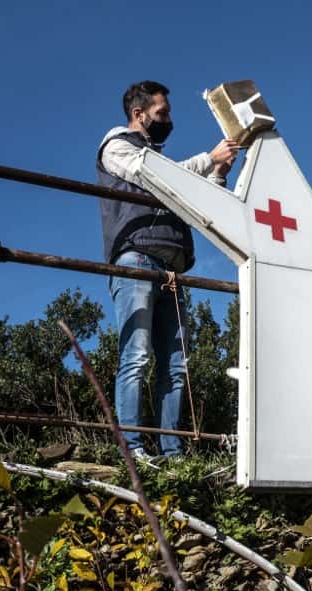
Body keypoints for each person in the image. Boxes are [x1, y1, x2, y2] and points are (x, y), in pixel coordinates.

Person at [96, 80, 240, 467]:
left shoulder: (162, 163)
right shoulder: (117, 145)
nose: (168, 120)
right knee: (138, 356)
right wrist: (208, 158)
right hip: (137, 261)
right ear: (138, 114)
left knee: (177, 366)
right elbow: (152, 176)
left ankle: (172, 453)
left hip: (170, 270)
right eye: (162, 113)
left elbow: (196, 200)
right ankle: (134, 449)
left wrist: (219, 172)